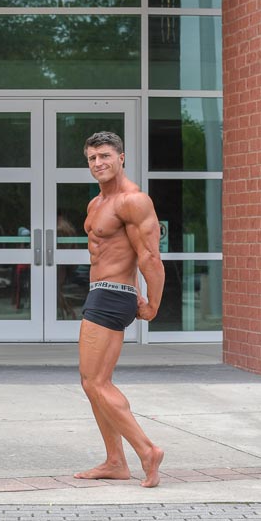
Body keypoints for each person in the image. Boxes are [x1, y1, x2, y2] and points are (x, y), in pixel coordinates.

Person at [74, 131, 166, 488]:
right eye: (92, 158)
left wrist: (153, 303)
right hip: (104, 291)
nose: (98, 163)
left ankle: (147, 450)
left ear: (121, 158)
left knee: (95, 382)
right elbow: (116, 252)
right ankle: (115, 461)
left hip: (112, 295)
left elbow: (150, 256)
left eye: (105, 156)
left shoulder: (134, 201)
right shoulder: (96, 204)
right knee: (93, 383)